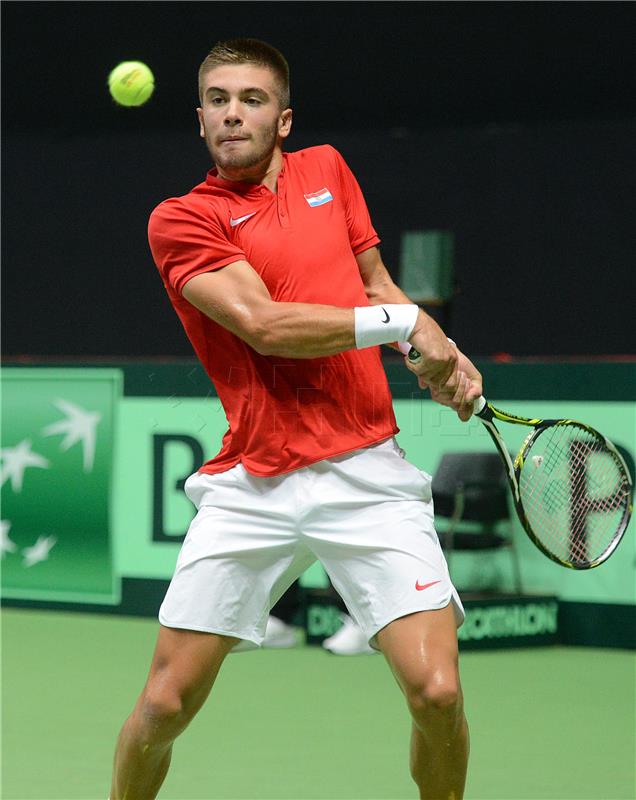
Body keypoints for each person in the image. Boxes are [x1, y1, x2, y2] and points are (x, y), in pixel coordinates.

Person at [110, 38, 482, 800]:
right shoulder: (182, 219)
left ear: (283, 119)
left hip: (368, 474)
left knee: (438, 694)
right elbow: (267, 325)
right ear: (200, 119)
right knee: (163, 705)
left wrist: (437, 359)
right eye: (217, 100)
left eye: (250, 100)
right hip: (256, 484)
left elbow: (371, 280)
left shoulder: (328, 169)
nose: (232, 114)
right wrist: (408, 320)